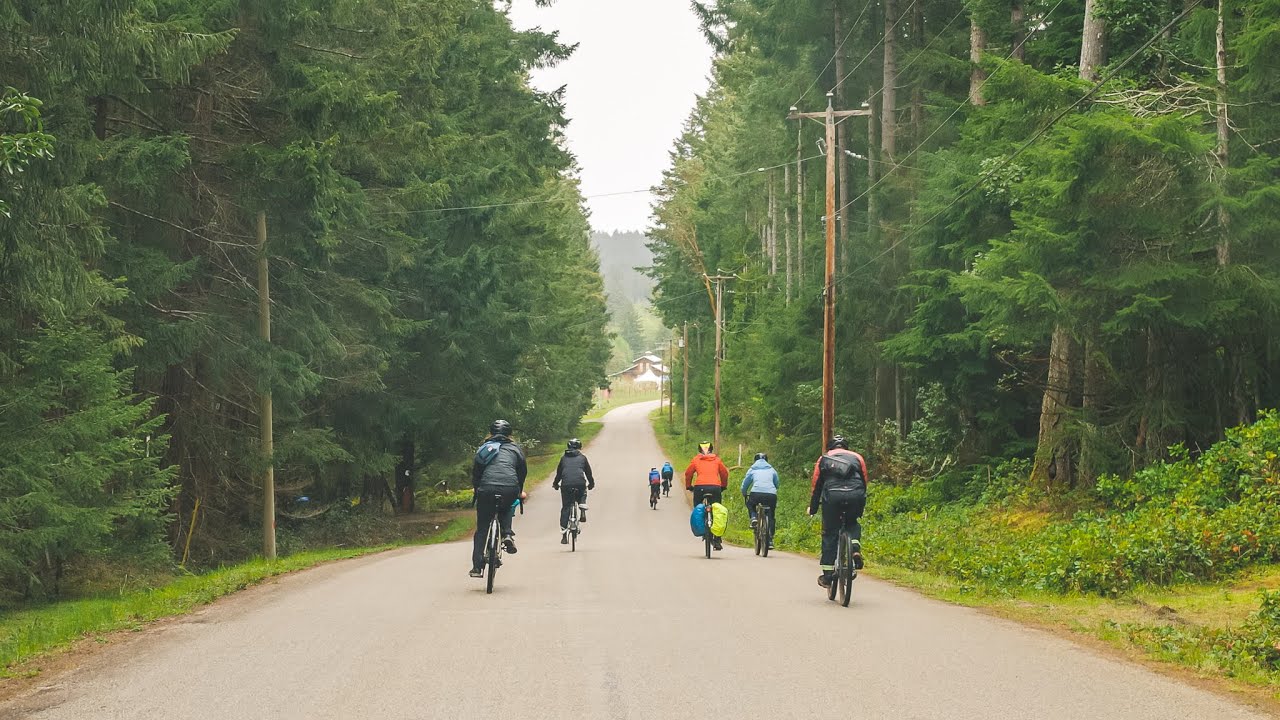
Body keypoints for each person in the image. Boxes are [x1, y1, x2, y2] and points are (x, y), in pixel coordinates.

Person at [808, 435, 868, 588]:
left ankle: (828, 575)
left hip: (832, 497)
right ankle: (854, 547)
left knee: (830, 532)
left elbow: (817, 487)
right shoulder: (857, 457)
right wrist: (861, 502)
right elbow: (864, 481)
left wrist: (813, 508)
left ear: (830, 447)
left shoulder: (824, 459)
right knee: (852, 523)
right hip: (856, 494)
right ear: (846, 447)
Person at [470, 419, 528, 578]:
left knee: (482, 528)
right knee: (508, 505)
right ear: (510, 435)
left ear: (491, 433)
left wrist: (477, 490)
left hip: (486, 489)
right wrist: (519, 490)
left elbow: (476, 473)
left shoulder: (484, 449)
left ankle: (476, 566)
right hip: (510, 488)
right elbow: (522, 472)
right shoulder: (516, 449)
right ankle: (507, 534)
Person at [685, 441, 729, 550]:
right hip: (715, 487)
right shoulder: (717, 460)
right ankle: (717, 538)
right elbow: (724, 473)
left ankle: (702, 528)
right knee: (717, 509)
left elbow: (688, 473)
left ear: (699, 450)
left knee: (698, 507)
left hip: (700, 487)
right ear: (711, 450)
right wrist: (723, 485)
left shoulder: (696, 460)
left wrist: (688, 486)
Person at [552, 437, 595, 544]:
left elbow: (559, 474)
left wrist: (555, 484)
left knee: (566, 507)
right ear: (579, 447)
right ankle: (582, 505)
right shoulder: (583, 458)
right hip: (580, 483)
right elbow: (588, 473)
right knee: (582, 492)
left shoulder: (563, 458)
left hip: (566, 485)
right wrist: (591, 484)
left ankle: (564, 535)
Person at [740, 452, 780, 547]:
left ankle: (753, 517)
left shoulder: (752, 469)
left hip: (756, 493)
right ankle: (770, 540)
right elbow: (777, 483)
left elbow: (745, 483)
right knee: (771, 515)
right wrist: (772, 489)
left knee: (750, 504)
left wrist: (744, 492)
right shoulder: (772, 470)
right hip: (771, 494)